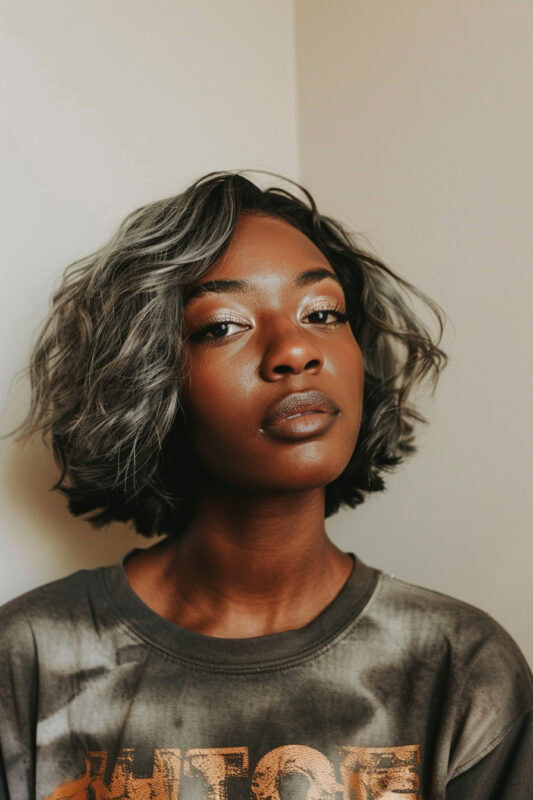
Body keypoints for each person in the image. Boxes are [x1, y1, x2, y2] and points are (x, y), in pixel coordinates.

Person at [0, 171, 531, 800]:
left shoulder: (458, 663)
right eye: (222, 325)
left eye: (323, 313)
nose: (295, 350)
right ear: (149, 379)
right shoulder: (31, 659)